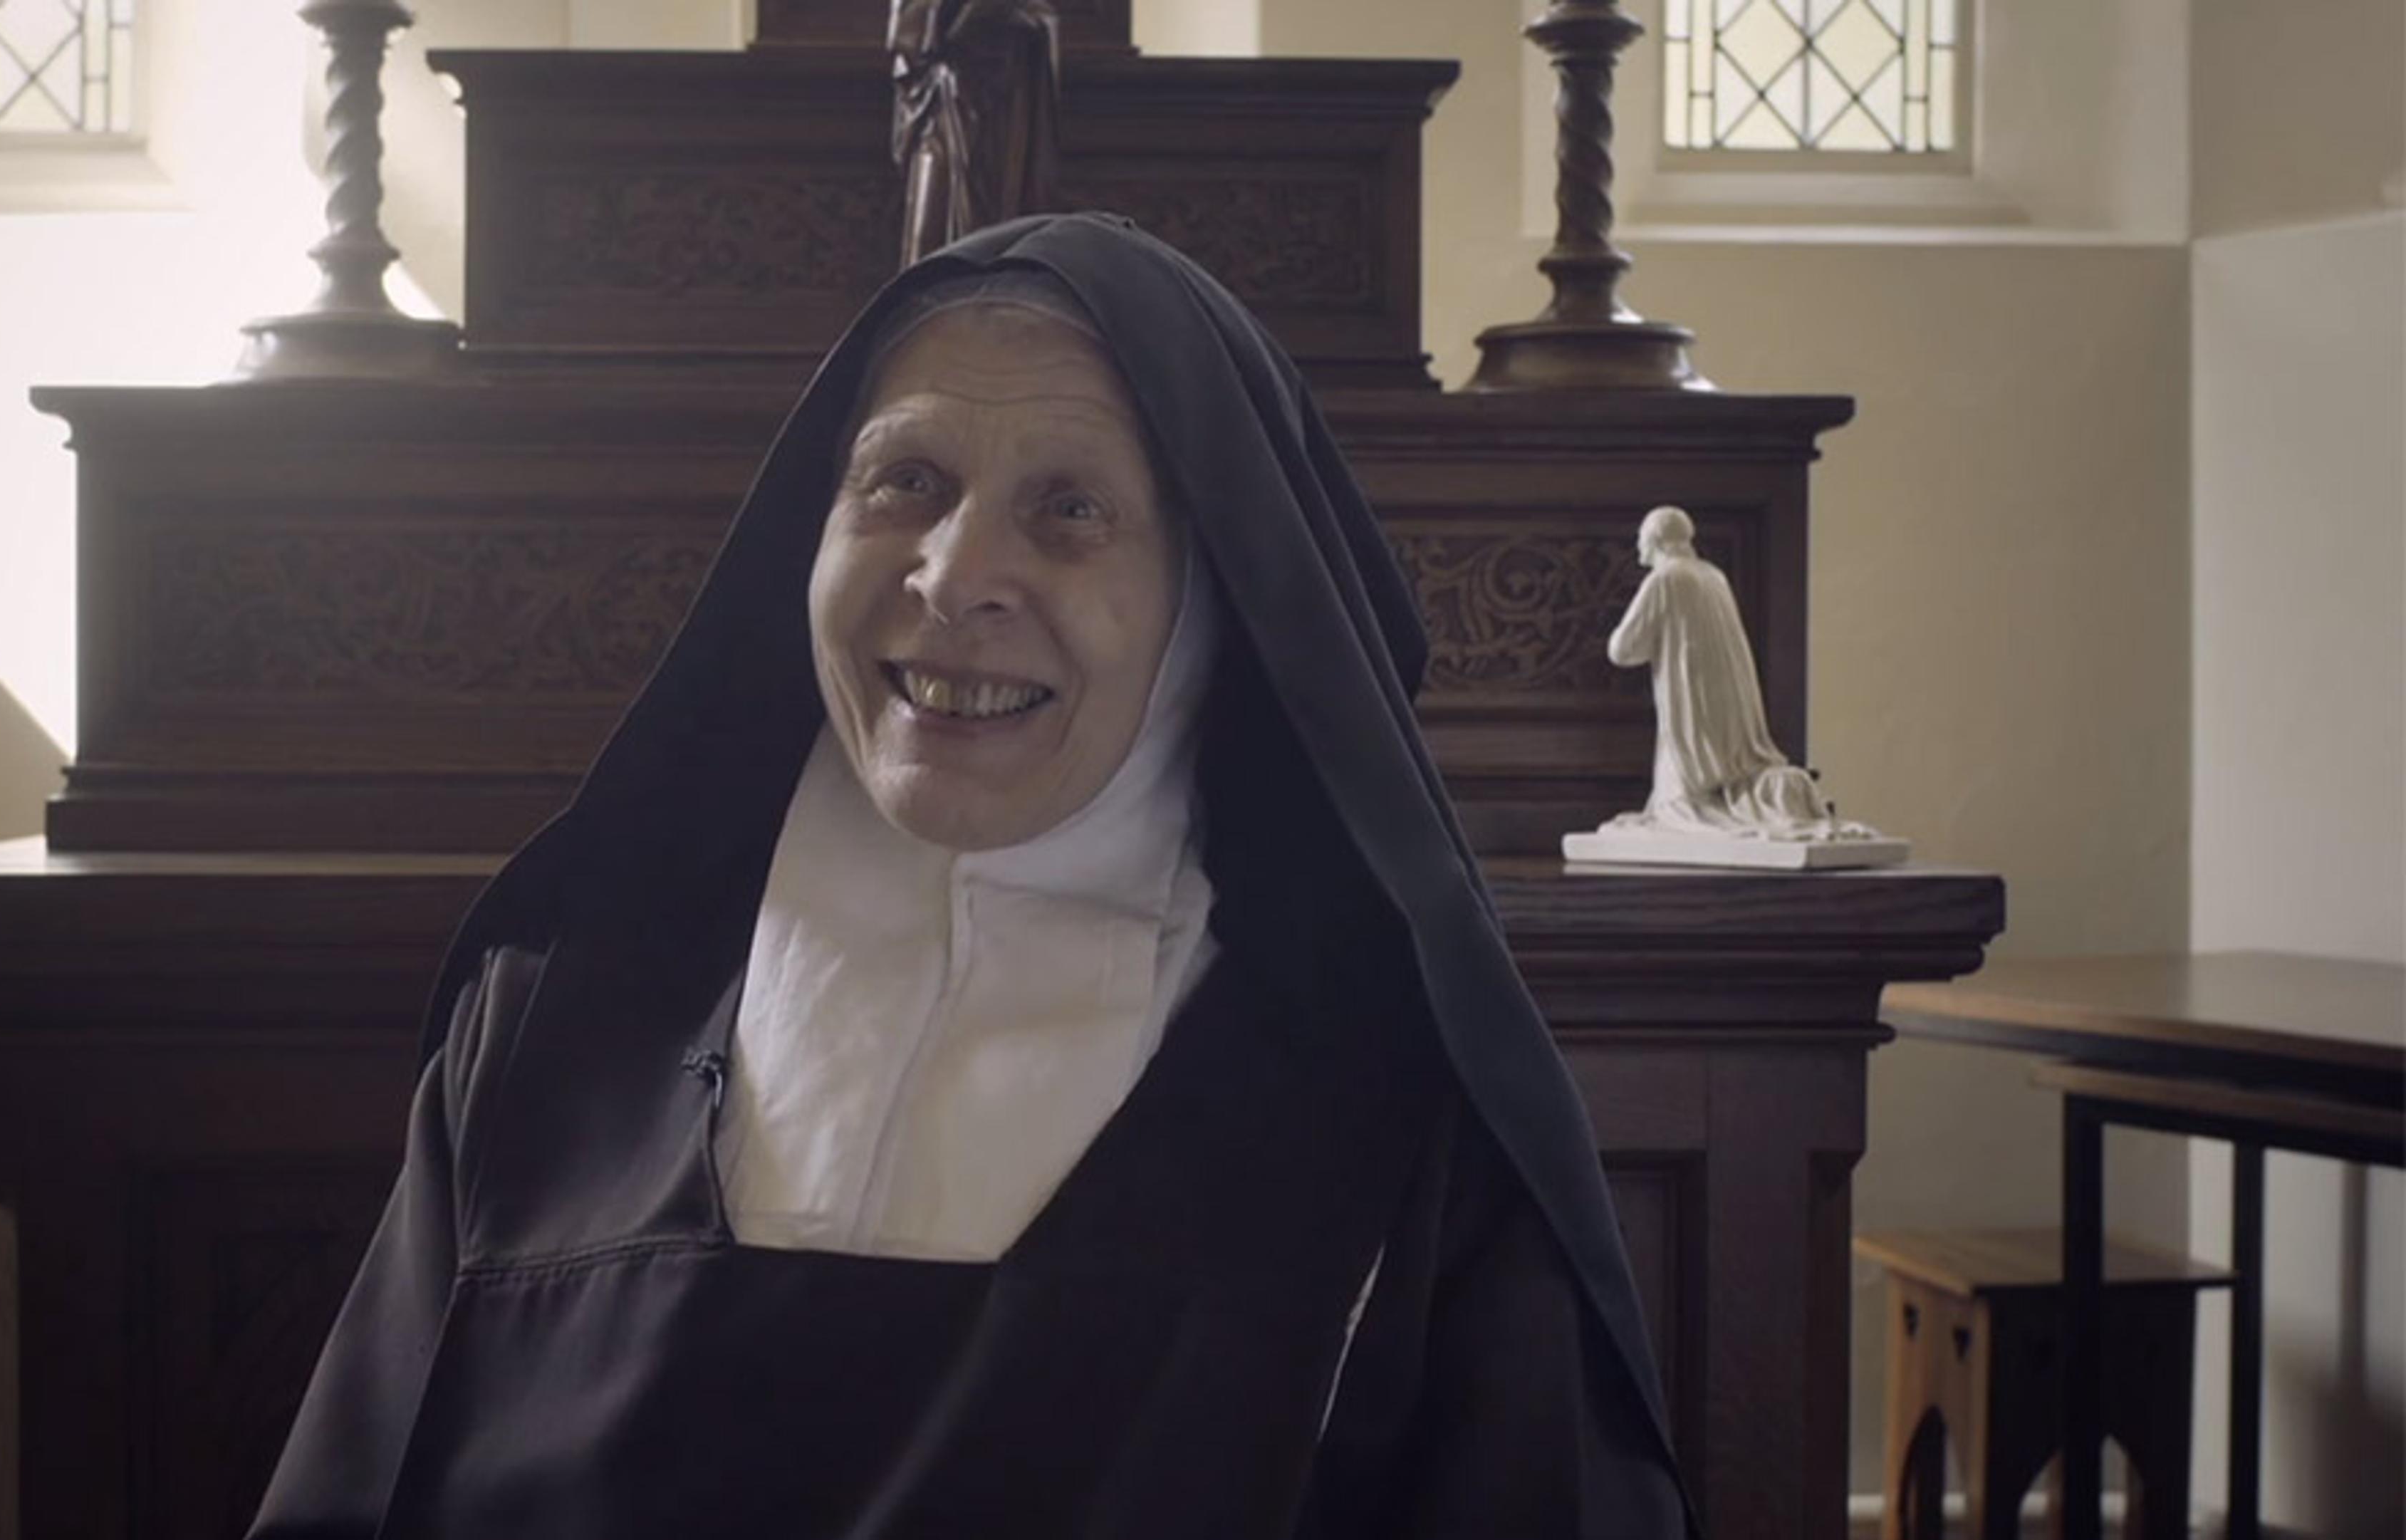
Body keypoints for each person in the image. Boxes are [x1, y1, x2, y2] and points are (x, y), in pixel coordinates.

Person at [251, 212, 1695, 1538]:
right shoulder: (550, 1031)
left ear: (1214, 602)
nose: (954, 575)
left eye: (1071, 509)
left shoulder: (1397, 1115)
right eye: (907, 481)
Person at [1605, 504, 1850, 839]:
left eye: (1641, 537)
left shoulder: (1665, 579)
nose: (1638, 546)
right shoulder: (1713, 576)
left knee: (1681, 801)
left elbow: (1621, 650)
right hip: (1730, 704)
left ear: (1655, 539)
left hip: (1691, 701)